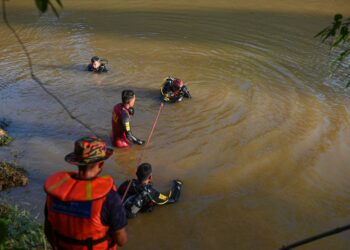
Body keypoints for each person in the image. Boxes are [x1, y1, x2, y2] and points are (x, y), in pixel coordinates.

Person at [44, 136, 128, 250]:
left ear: (77, 163)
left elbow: (48, 231)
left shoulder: (54, 193)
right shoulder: (109, 198)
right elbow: (121, 240)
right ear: (101, 164)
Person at [118, 163, 183, 218]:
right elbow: (173, 199)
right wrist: (178, 184)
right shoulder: (152, 193)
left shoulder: (128, 183)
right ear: (150, 177)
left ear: (136, 174)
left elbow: (118, 192)